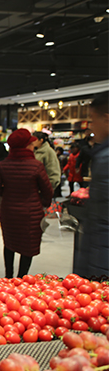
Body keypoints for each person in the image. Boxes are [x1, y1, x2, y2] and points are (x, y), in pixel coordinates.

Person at [0, 128, 53, 278]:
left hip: (9, 211)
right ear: (25, 146)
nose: (33, 146)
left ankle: (8, 277)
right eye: (31, 144)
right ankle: (22, 278)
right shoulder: (36, 165)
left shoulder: (3, 165)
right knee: (27, 245)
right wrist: (41, 203)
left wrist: (8, 195)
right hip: (30, 213)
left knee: (9, 243)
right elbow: (47, 191)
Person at [74, 92, 108, 278]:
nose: (91, 127)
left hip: (101, 255)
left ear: (107, 119)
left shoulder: (106, 157)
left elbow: (101, 221)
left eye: (93, 120)